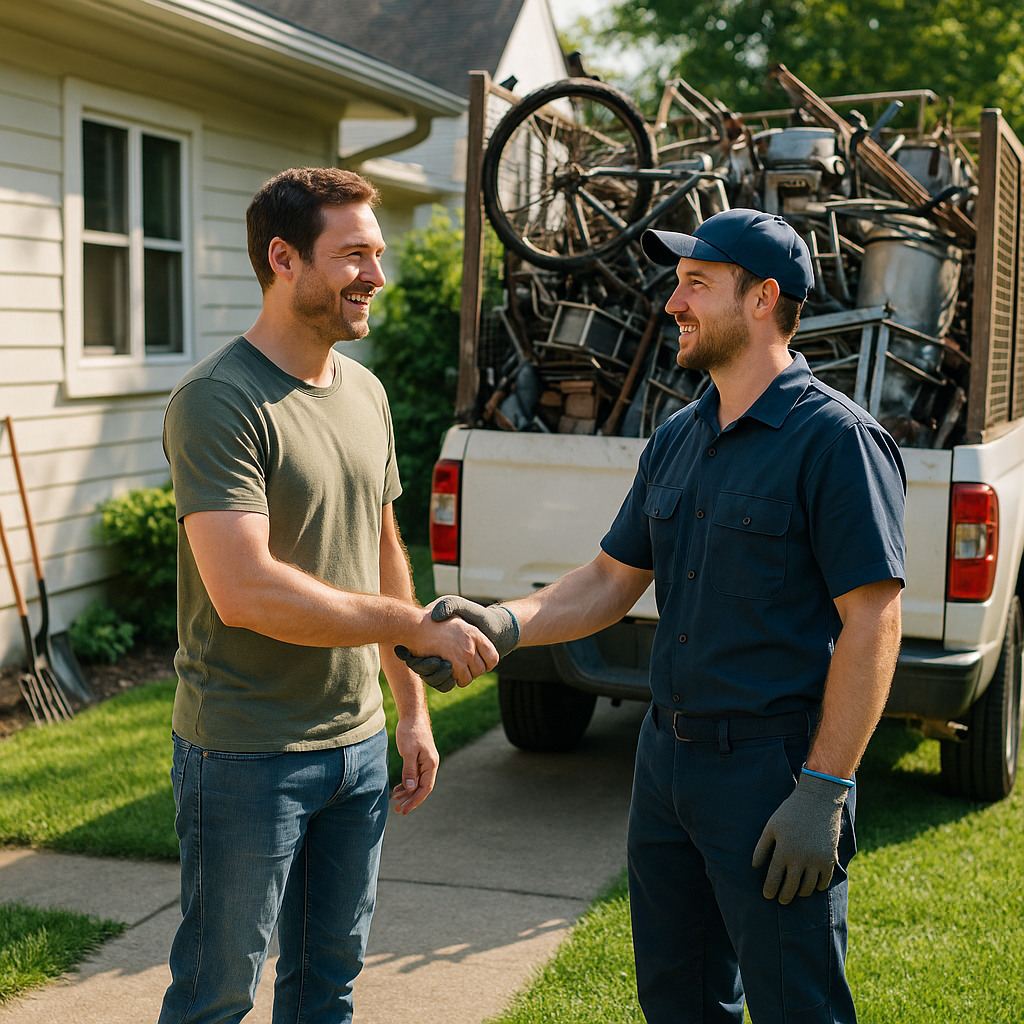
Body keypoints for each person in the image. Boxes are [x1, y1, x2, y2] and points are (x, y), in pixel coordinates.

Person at [402, 209, 906, 1023]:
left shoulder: (835, 442)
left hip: (771, 772)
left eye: (696, 284)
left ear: (762, 299)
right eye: (677, 284)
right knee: (677, 1004)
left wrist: (824, 789)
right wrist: (504, 625)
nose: (673, 303)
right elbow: (609, 578)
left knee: (797, 1007)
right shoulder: (680, 434)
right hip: (666, 764)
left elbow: (873, 624)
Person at [158, 166, 498, 1024]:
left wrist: (410, 706)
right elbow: (245, 591)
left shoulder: (366, 392)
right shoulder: (218, 401)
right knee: (215, 995)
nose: (376, 277)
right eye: (353, 255)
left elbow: (383, 551)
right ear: (283, 259)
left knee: (328, 988)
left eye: (376, 254)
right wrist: (412, 625)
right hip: (245, 753)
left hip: (358, 749)